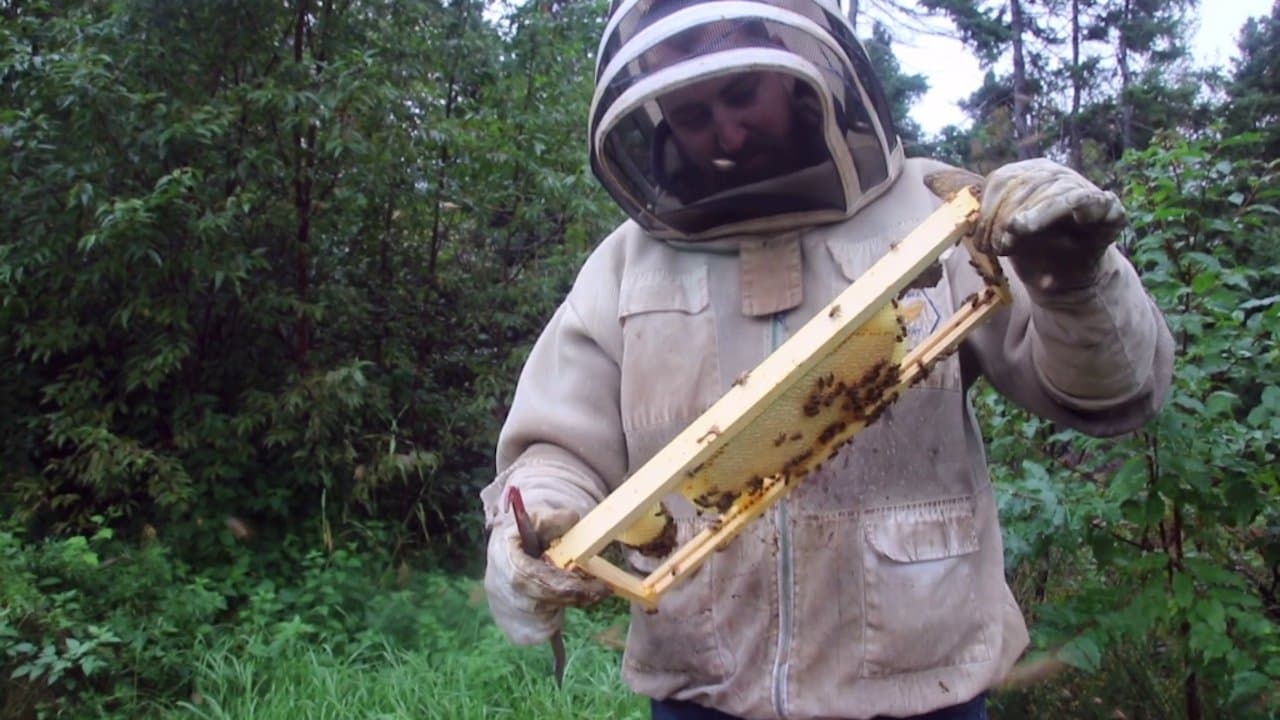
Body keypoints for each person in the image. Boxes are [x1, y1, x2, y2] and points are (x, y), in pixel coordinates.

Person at [480, 1, 1174, 718]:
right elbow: (557, 448)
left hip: (921, 689)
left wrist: (1076, 282)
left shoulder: (936, 210)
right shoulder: (625, 264)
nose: (726, 131)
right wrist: (539, 525)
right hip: (703, 690)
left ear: (790, 60)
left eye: (741, 93)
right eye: (690, 114)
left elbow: (1112, 395)